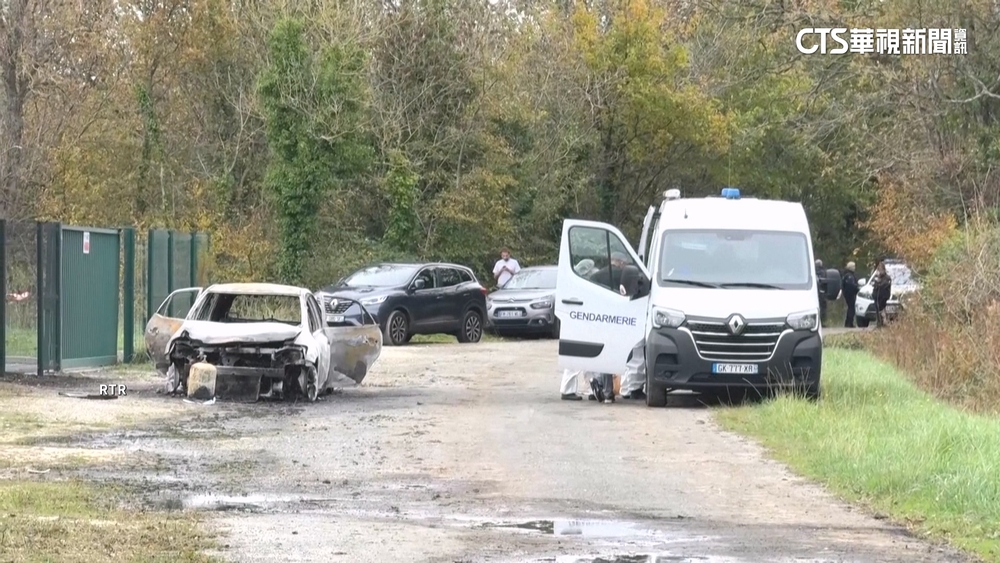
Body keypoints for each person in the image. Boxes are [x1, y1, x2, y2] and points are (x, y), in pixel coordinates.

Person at [871, 259, 893, 327]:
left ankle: (884, 321)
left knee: (882, 308)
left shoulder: (887, 278)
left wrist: (878, 283)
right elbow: (874, 285)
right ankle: (879, 322)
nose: (880, 271)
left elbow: (885, 285)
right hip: (877, 296)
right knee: (877, 309)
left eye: (881, 269)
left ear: (884, 269)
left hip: (883, 296)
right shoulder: (876, 277)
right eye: (878, 269)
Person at [841, 261, 859, 328]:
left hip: (848, 294)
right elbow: (851, 286)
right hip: (850, 294)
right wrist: (857, 288)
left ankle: (848, 322)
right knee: (851, 308)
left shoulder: (847, 275)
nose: (854, 268)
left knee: (850, 308)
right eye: (854, 266)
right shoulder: (849, 276)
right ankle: (849, 323)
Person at [815, 259, 827, 326]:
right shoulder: (823, 272)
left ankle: (818, 322)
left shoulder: (812, 271)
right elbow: (825, 281)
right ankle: (822, 322)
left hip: (815, 292)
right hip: (821, 292)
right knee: (822, 307)